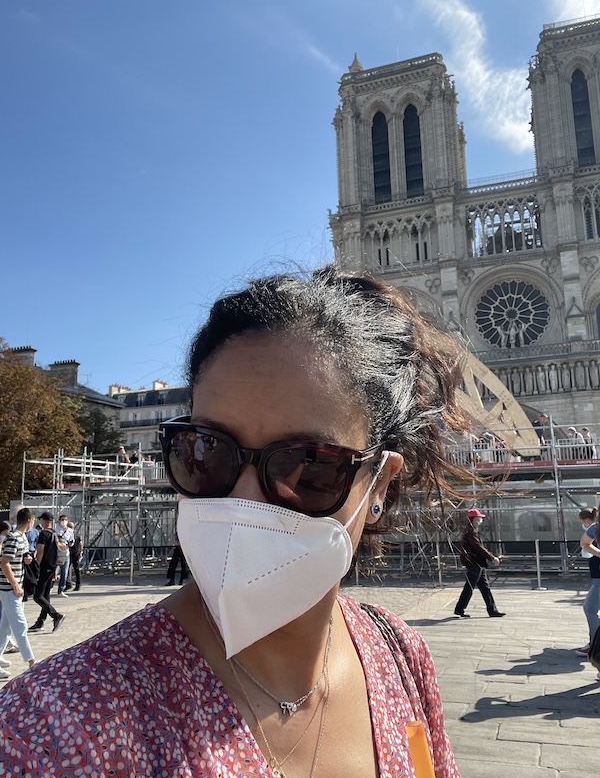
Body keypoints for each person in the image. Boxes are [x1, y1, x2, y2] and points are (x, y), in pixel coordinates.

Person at [0, 266, 471, 777]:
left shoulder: (401, 656)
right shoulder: (49, 729)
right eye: (205, 450)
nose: (243, 501)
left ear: (379, 483)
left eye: (308, 464)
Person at [0, 507, 37, 679]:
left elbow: (13, 558)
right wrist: (15, 584)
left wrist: (25, 558)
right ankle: (31, 661)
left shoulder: (20, 538)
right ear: (30, 521)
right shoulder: (14, 537)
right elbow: (4, 562)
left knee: (5, 628)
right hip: (9, 589)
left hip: (13, 588)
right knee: (20, 625)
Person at [454, 508, 505, 618]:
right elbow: (478, 547)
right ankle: (460, 609)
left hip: (476, 563)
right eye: (478, 519)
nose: (480, 521)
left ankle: (492, 610)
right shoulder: (471, 532)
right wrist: (492, 558)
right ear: (472, 520)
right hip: (474, 562)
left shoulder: (472, 530)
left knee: (483, 587)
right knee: (470, 587)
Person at [28, 511, 66, 634]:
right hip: (53, 566)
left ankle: (56, 615)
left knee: (37, 596)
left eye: (41, 520)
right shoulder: (55, 533)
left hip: (44, 567)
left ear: (44, 521)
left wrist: (36, 567)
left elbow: (40, 552)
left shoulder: (44, 534)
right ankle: (40, 621)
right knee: (45, 595)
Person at [578, 507, 600, 657]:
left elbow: (584, 544)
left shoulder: (596, 528)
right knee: (590, 608)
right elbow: (584, 544)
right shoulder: (595, 528)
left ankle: (595, 645)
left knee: (590, 609)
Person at [55, 513, 74, 597]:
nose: (64, 521)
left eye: (65, 520)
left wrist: (69, 543)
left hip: (66, 553)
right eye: (62, 520)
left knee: (64, 572)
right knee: (54, 572)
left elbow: (72, 541)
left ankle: (61, 590)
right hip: (57, 553)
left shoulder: (70, 531)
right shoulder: (56, 530)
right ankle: (49, 587)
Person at [65, 521, 83, 592]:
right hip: (76, 553)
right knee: (77, 569)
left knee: (66, 569)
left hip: (69, 553)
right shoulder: (77, 534)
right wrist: (81, 552)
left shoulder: (68, 534)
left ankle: (68, 583)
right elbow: (81, 543)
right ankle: (78, 585)